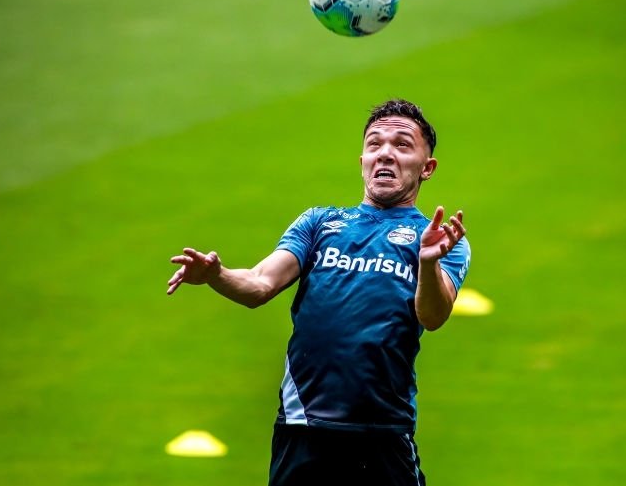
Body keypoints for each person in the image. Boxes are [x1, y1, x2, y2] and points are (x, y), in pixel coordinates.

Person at [166, 99, 471, 486]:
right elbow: (260, 284)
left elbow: (433, 315)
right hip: (303, 427)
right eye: (374, 144)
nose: (385, 154)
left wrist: (427, 261)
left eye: (402, 145)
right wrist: (217, 275)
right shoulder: (319, 223)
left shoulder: (439, 240)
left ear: (427, 168)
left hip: (382, 429)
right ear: (362, 160)